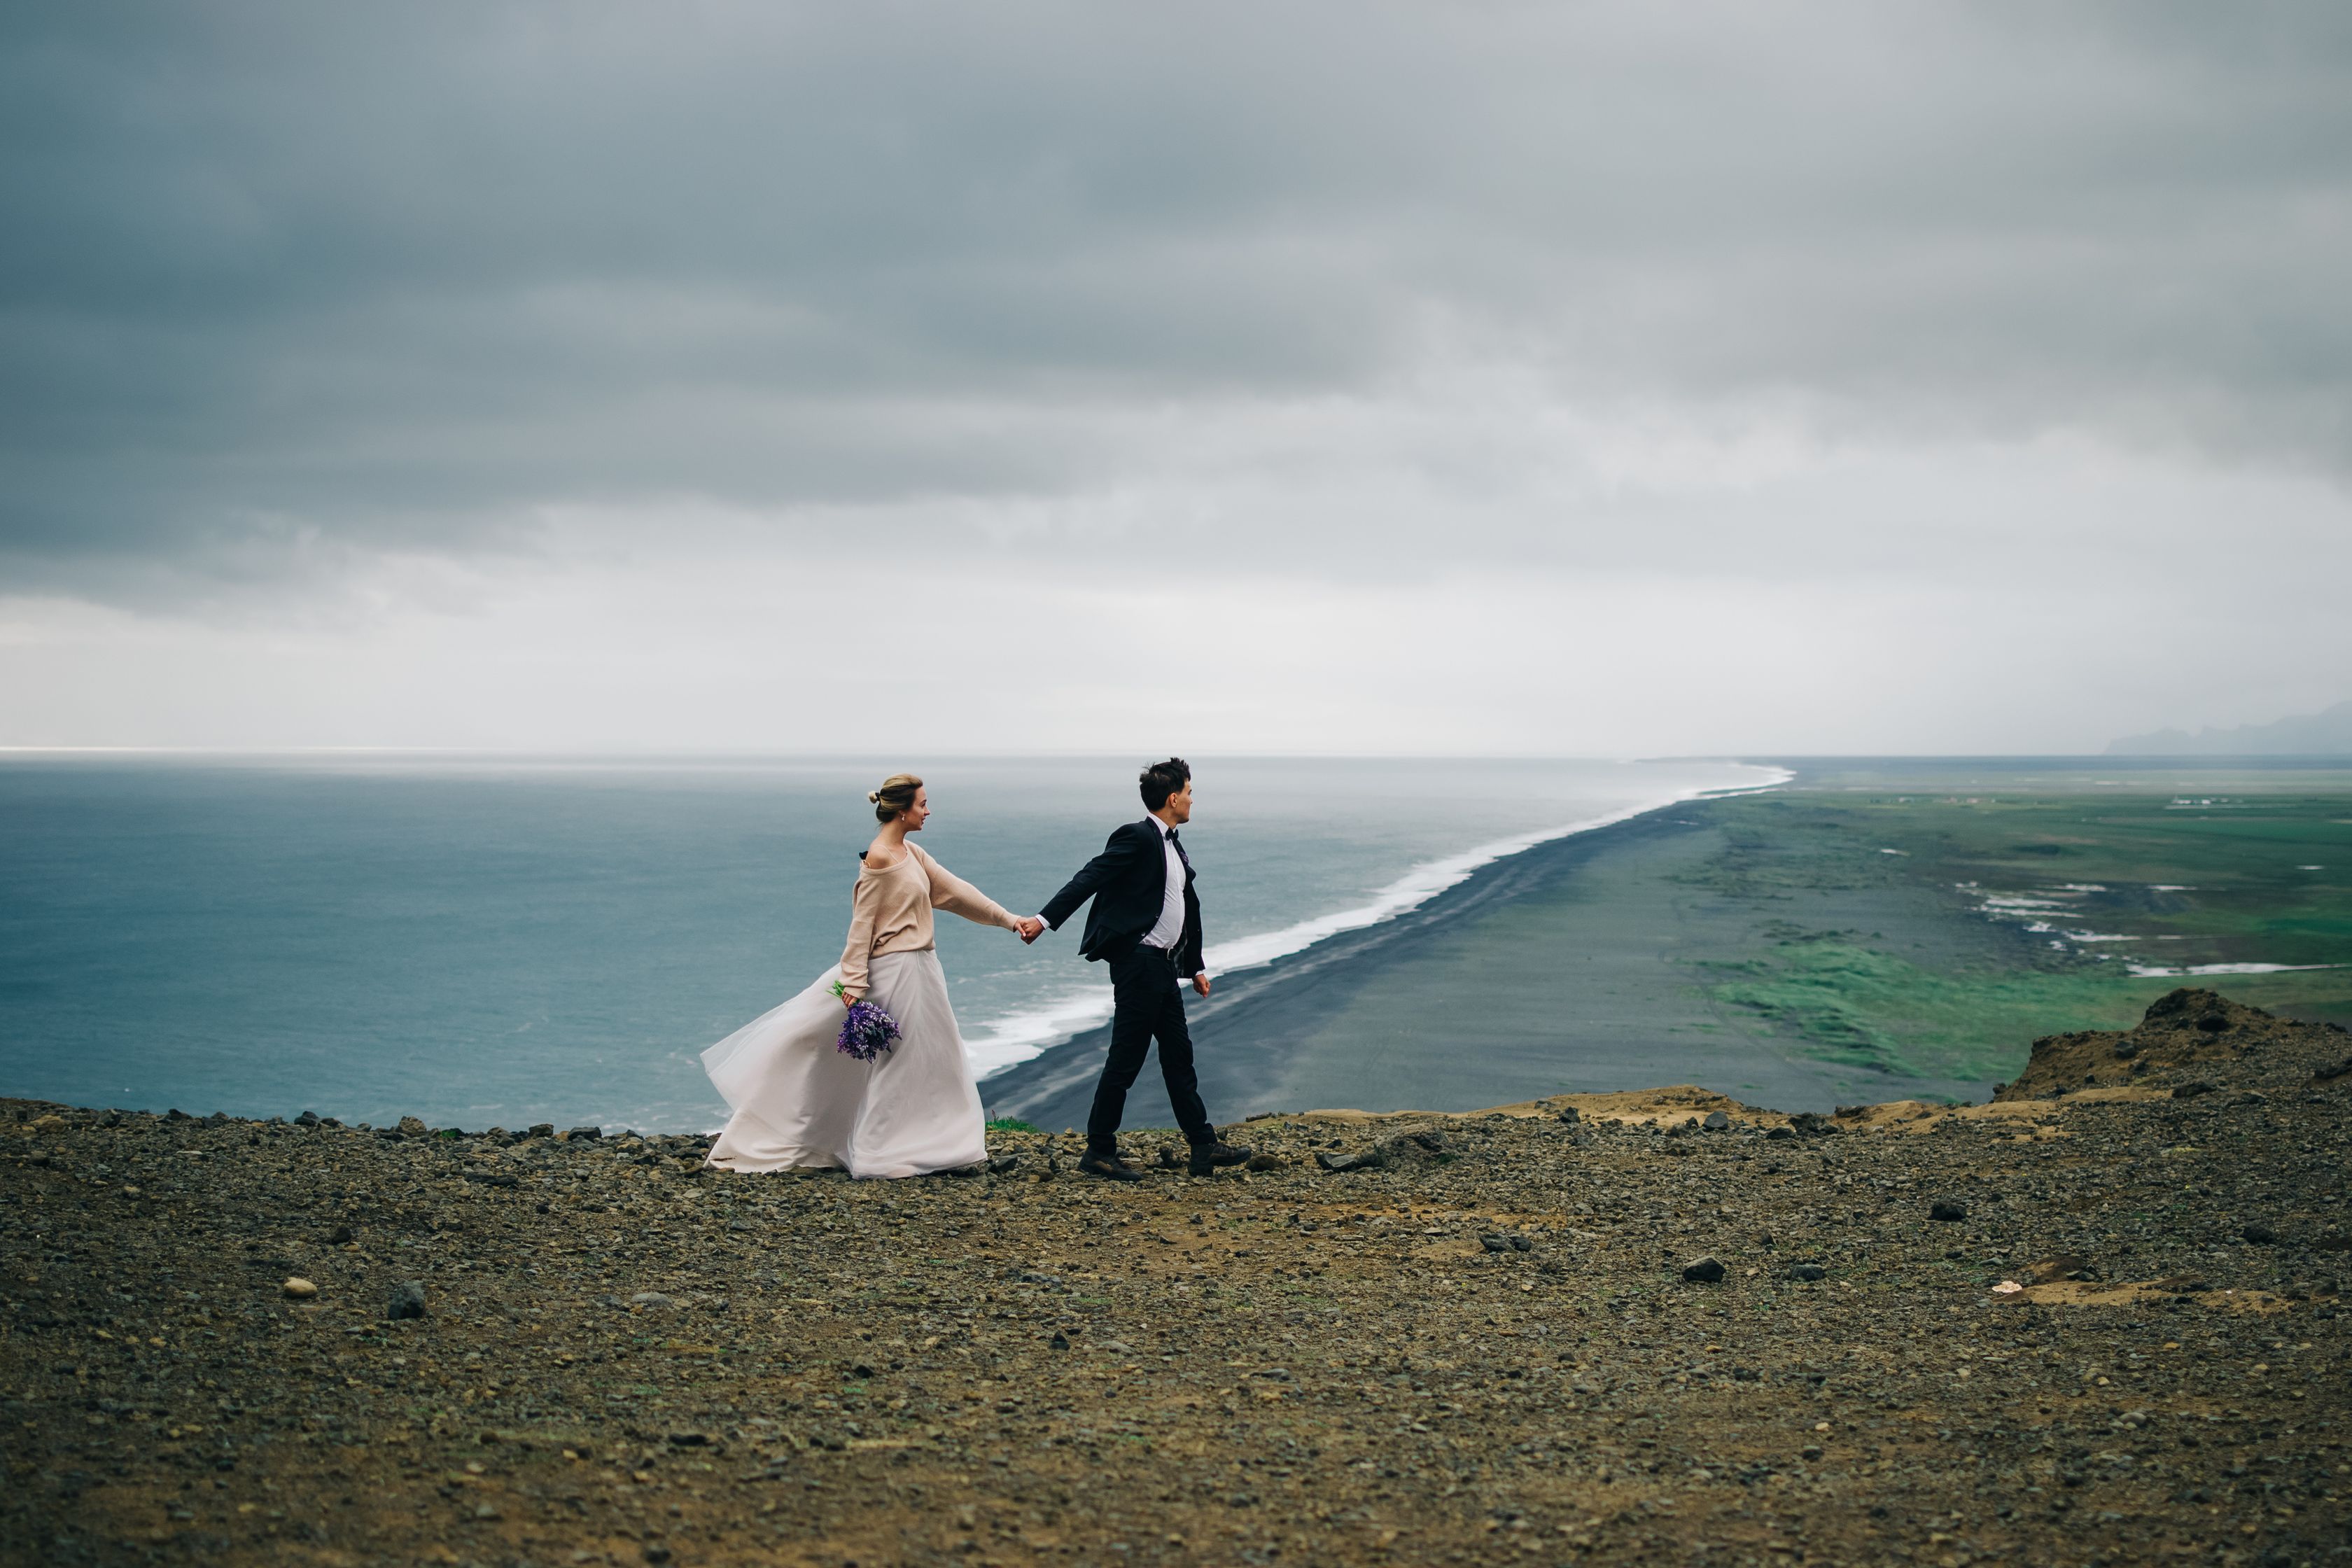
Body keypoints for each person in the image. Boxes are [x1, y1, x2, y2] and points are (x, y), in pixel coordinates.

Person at [701, 774, 1044, 1179]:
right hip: (895, 971)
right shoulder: (880, 858)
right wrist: (854, 983)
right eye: (923, 804)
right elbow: (861, 926)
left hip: (921, 970)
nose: (928, 811)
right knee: (899, 1062)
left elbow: (955, 892)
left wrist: (1010, 920)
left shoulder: (911, 853)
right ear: (902, 811)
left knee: (936, 1059)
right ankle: (883, 1153)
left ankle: (938, 1146)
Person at [1025, 757, 1250, 1180]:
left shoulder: (1172, 843)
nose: (1191, 799)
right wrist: (1044, 920)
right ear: (1172, 798)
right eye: (1188, 792)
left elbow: (1184, 906)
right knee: (1126, 1059)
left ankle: (1203, 1147)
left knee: (1179, 1056)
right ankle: (1098, 1150)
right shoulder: (1138, 837)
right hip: (1139, 966)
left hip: (1163, 968)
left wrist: (1195, 966)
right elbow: (1090, 876)